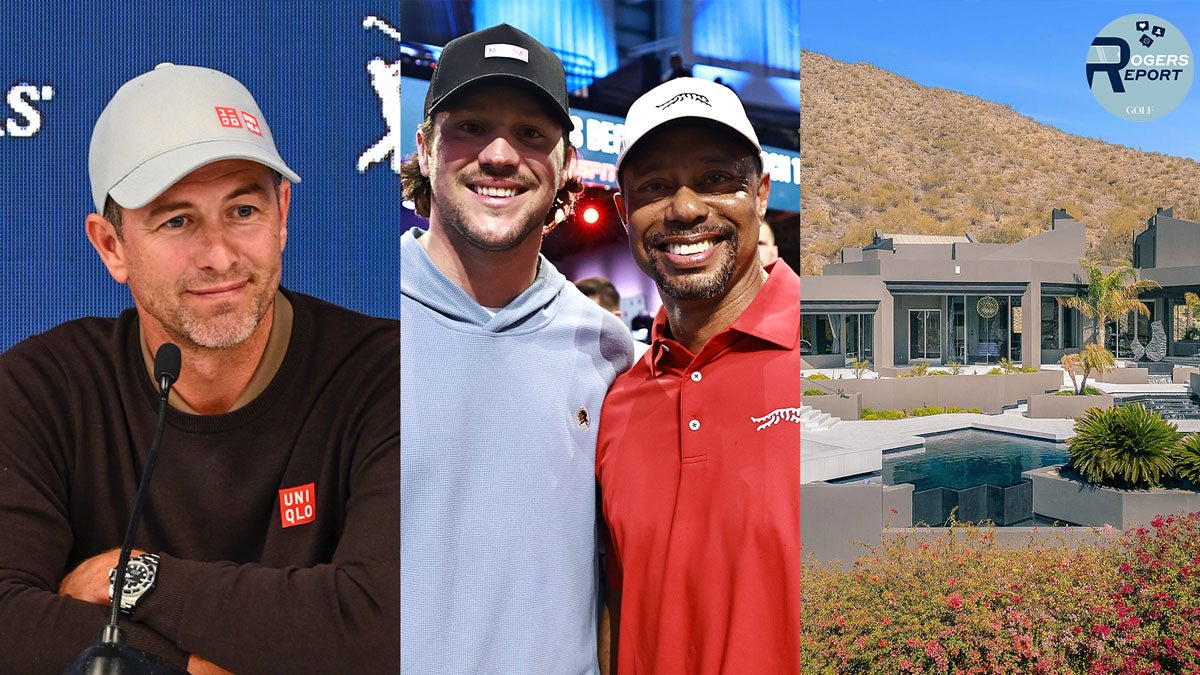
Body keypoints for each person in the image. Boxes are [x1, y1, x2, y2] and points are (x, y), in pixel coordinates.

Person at [0, 63, 399, 674]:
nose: (219, 255)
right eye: (177, 220)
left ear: (283, 211)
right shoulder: (41, 388)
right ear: (111, 246)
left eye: (242, 210)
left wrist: (132, 578)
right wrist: (186, 667)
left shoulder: (386, 372)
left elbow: (380, 626)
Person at [399, 24, 634, 673]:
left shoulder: (611, 351)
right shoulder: (355, 324)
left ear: (568, 165)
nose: (500, 154)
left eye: (532, 134)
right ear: (423, 146)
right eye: (471, 125)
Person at [596, 77, 800, 673]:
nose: (685, 209)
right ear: (624, 211)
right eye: (655, 186)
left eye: (716, 179)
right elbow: (617, 607)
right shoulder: (618, 401)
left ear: (760, 194)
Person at [576, 275, 650, 360]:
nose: (579, 325)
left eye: (589, 316)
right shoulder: (567, 363)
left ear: (616, 319)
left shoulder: (646, 360)